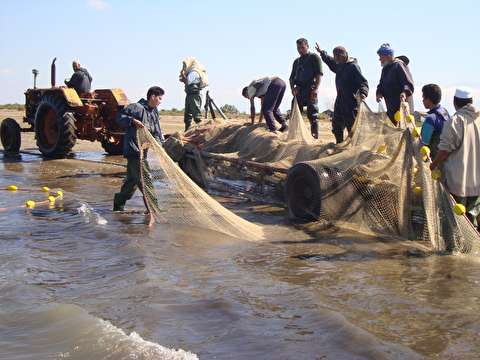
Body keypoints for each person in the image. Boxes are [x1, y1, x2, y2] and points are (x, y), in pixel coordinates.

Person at [430, 88, 480, 228]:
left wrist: (433, 164)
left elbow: (445, 150)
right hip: (477, 184)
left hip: (458, 182)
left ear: (454, 102)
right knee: (472, 223)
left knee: (454, 222)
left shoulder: (456, 120)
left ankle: (453, 248)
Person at [113, 86, 165, 213]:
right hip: (134, 151)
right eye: (159, 98)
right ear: (152, 97)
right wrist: (132, 121)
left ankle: (118, 204)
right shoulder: (136, 107)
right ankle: (154, 209)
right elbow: (119, 117)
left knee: (131, 182)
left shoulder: (154, 111)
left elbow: (157, 131)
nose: (160, 101)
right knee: (146, 180)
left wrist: (161, 146)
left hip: (143, 152)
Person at [315, 43, 369, 143]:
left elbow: (363, 82)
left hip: (351, 102)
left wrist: (363, 93)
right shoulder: (339, 64)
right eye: (335, 57)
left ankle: (353, 147)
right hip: (340, 100)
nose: (335, 59)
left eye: (337, 57)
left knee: (351, 126)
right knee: (336, 125)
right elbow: (329, 61)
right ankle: (339, 144)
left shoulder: (353, 67)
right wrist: (322, 53)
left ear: (343, 55)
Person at [289, 38, 323, 138]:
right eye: (298, 48)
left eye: (302, 47)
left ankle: (314, 136)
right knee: (294, 113)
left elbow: (319, 74)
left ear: (307, 46)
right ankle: (294, 136)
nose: (300, 50)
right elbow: (291, 78)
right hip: (299, 90)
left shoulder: (314, 57)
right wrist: (293, 89)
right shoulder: (297, 62)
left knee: (312, 114)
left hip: (310, 89)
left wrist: (316, 89)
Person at [375, 44, 414, 125]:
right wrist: (379, 93)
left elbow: (407, 83)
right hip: (390, 109)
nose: (379, 59)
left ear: (388, 56)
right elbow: (381, 84)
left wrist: (404, 92)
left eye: (381, 56)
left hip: (401, 109)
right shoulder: (385, 69)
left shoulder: (398, 65)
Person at [420, 84, 451, 158]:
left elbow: (423, 144)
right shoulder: (444, 112)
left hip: (435, 161)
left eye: (423, 98)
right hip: (448, 157)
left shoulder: (430, 119)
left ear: (428, 100)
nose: (422, 100)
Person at [179, 57, 208, 131]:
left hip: (194, 95)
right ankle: (187, 131)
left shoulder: (194, 72)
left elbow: (188, 81)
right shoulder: (191, 72)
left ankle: (201, 131)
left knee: (197, 116)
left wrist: (183, 75)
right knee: (187, 117)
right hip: (190, 95)